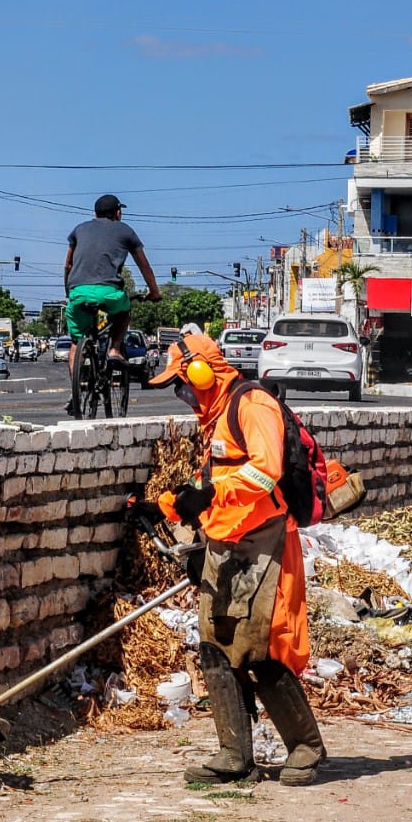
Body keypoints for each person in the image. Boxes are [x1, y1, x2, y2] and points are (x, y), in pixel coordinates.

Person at [151, 329, 324, 786]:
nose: (181, 394)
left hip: (265, 541)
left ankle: (305, 746)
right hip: (224, 543)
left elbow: (265, 471)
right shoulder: (215, 417)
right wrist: (170, 507)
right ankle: (234, 755)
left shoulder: (252, 405)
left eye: (183, 383)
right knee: (214, 648)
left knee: (260, 649)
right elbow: (214, 481)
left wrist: (211, 492)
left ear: (204, 373)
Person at [62, 194, 160, 414]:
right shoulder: (126, 231)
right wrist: (154, 292)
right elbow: (144, 266)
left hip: (78, 292)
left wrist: (70, 292)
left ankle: (75, 391)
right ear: (117, 212)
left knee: (76, 344)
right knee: (124, 312)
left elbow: (68, 265)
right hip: (110, 292)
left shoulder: (79, 230)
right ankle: (115, 349)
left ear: (95, 214)